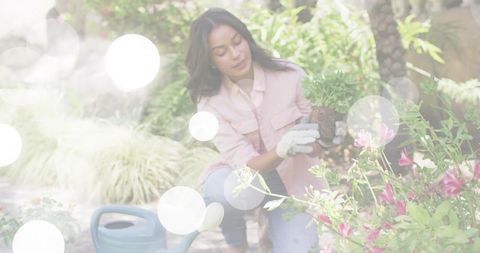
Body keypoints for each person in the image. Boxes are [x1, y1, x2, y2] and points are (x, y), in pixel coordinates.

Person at [185, 8, 335, 253]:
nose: (236, 54)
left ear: (246, 38)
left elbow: (316, 147)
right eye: (221, 52)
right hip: (244, 180)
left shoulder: (290, 75)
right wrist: (282, 149)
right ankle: (237, 245)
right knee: (219, 191)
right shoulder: (210, 102)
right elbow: (245, 165)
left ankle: (272, 232)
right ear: (210, 60)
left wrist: (326, 134)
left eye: (237, 42)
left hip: (290, 184)